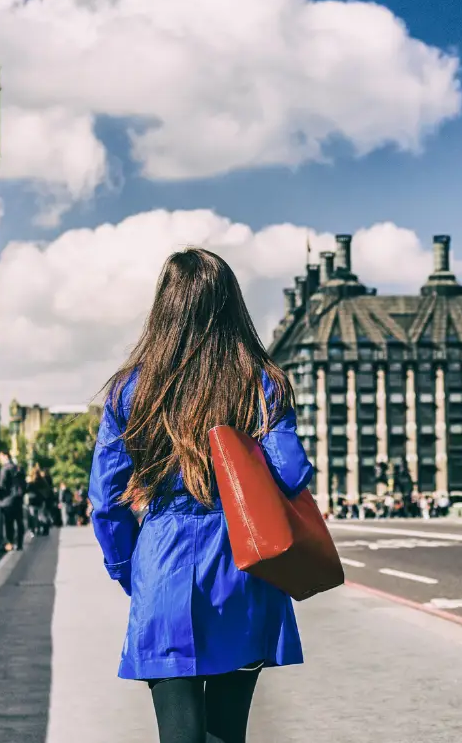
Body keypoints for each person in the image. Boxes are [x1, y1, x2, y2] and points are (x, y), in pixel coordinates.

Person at [88, 247, 314, 743]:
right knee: (228, 734)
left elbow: (106, 502)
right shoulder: (261, 383)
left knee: (179, 736)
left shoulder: (130, 390)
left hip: (164, 561)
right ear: (230, 305)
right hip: (243, 569)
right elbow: (293, 473)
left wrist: (128, 568)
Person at [0, 450, 26, 551]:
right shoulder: (18, 468)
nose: (0, 460)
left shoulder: (5, 469)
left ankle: (10, 543)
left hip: (8, 500)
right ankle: (20, 544)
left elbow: (2, 485)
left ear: (5, 456)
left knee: (9, 523)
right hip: (18, 499)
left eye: (0, 458)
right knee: (19, 521)